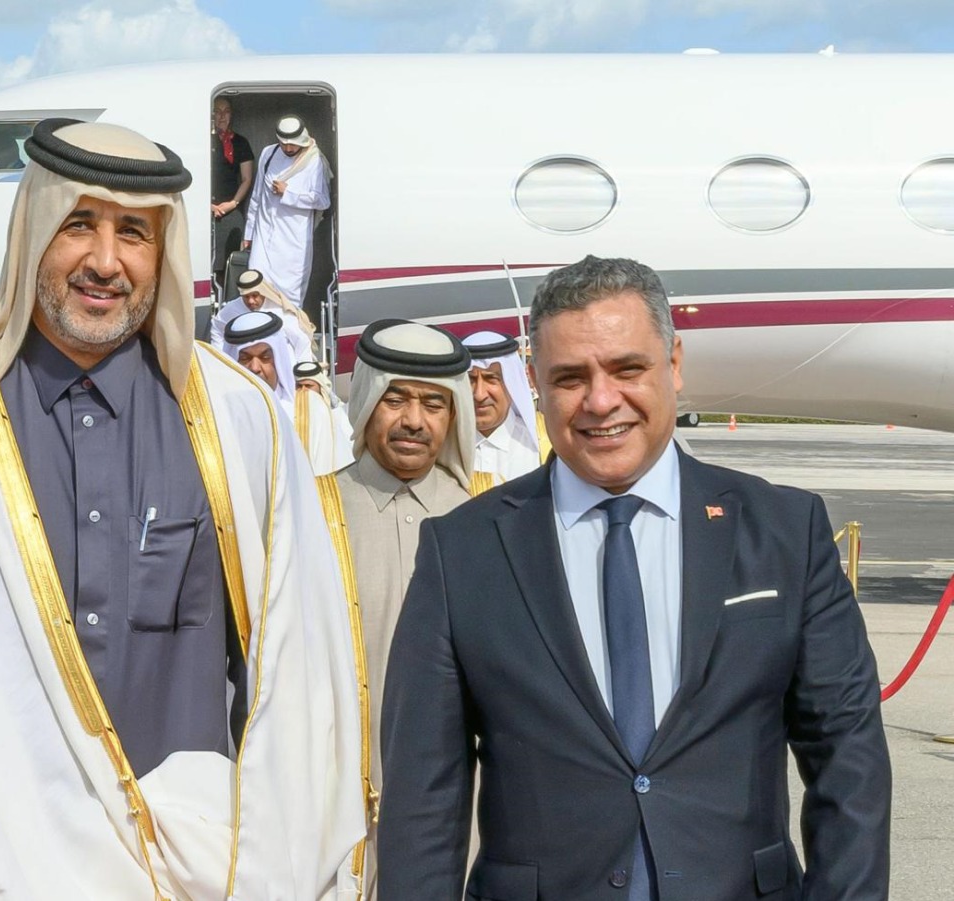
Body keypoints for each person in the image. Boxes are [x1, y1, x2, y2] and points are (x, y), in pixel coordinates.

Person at [0, 118, 366, 901]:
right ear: (32, 234)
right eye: (78, 224)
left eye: (135, 234)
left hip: (196, 868)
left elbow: (300, 663)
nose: (106, 261)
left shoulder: (239, 418)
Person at [378, 256, 890, 900]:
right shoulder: (463, 550)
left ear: (673, 364)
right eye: (570, 377)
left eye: (627, 369)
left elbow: (849, 757)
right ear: (534, 380)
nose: (600, 400)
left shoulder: (787, 530)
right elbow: (422, 794)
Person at [316, 319, 477, 901]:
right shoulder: (309, 509)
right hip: (333, 801)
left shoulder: (489, 515)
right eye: (396, 399)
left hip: (466, 806)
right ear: (365, 403)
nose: (415, 421)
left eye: (434, 403)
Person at [223, 311, 349, 476]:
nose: (254, 368)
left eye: (265, 357)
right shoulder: (220, 416)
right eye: (245, 358)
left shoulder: (310, 411)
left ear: (279, 359)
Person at [242, 115, 332, 306]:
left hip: (293, 243)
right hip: (263, 237)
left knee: (288, 299)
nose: (288, 148)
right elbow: (257, 196)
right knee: (257, 289)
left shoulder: (314, 161)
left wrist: (288, 193)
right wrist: (249, 233)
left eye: (292, 144)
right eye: (284, 144)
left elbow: (322, 201)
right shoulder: (269, 154)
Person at [462, 330, 542, 482]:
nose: (479, 394)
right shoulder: (443, 448)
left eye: (491, 378)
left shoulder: (544, 442)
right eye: (470, 380)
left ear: (512, 383)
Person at [210, 267, 316, 362]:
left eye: (255, 295)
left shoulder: (279, 310)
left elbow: (301, 340)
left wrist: (303, 371)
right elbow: (217, 327)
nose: (251, 301)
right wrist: (221, 357)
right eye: (246, 297)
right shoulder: (233, 308)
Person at [210, 97, 254, 281]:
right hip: (206, 208)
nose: (221, 116)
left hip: (230, 208)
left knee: (230, 264)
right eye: (217, 111)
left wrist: (232, 203)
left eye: (226, 111)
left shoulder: (240, 142)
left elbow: (247, 179)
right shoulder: (202, 140)